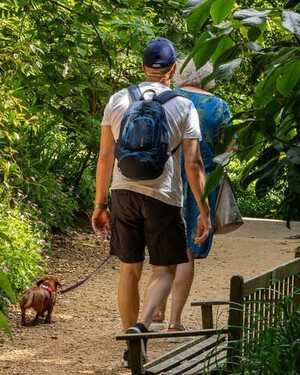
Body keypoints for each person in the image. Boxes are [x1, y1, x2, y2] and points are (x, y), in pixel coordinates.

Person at [91, 39, 210, 367]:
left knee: (129, 270)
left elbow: (104, 157)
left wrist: (100, 205)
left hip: (123, 193)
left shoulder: (118, 99)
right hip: (164, 197)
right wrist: (204, 211)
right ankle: (142, 327)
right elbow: (193, 165)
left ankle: (131, 335)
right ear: (173, 70)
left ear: (143, 67)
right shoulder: (183, 106)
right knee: (165, 269)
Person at [153, 59, 232, 331]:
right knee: (187, 249)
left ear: (178, 73)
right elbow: (229, 150)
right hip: (202, 181)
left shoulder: (168, 99)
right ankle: (175, 321)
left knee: (164, 243)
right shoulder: (219, 107)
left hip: (167, 178)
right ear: (208, 76)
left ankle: (157, 309)